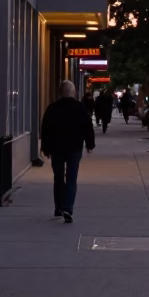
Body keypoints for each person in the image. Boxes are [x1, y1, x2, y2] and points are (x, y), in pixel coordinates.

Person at [40, 80, 95, 223]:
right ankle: (68, 208)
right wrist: (90, 144)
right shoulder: (80, 108)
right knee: (71, 178)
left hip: (56, 149)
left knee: (58, 177)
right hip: (74, 148)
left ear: (60, 93)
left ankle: (59, 207)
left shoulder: (52, 108)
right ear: (73, 92)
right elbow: (87, 127)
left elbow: (45, 129)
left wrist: (45, 147)